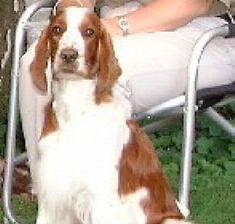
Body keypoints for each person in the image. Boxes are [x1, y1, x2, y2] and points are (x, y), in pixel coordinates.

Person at [19, 0, 235, 187]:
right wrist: (75, 11)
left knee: (107, 73)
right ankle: (49, 196)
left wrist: (115, 27)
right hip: (118, 22)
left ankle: (104, 202)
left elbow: (192, 4)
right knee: (35, 65)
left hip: (209, 32)